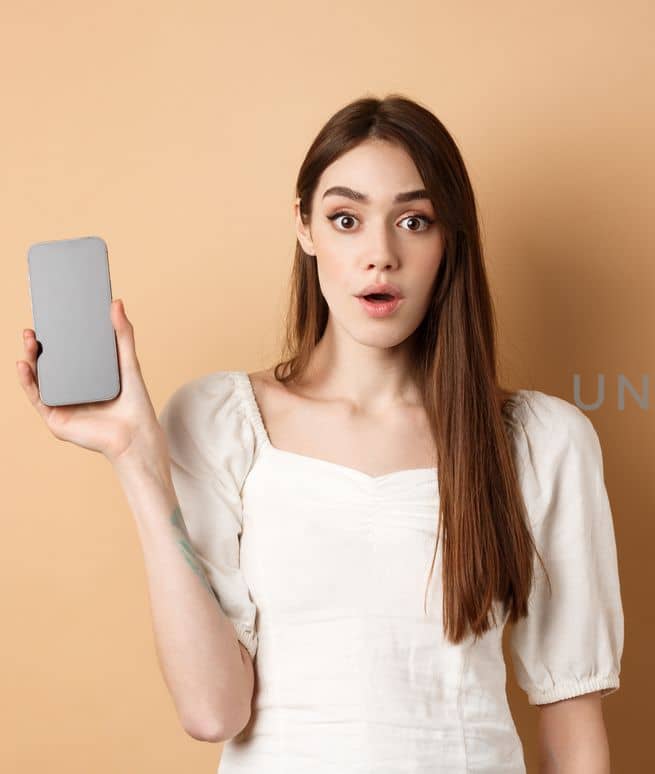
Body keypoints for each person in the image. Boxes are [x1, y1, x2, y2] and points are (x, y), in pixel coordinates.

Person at [14, 94, 623, 773]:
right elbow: (213, 711)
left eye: (414, 221)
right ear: (305, 228)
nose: (380, 255)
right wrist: (135, 456)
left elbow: (574, 725)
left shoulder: (540, 442)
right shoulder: (218, 421)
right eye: (345, 219)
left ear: (450, 238)